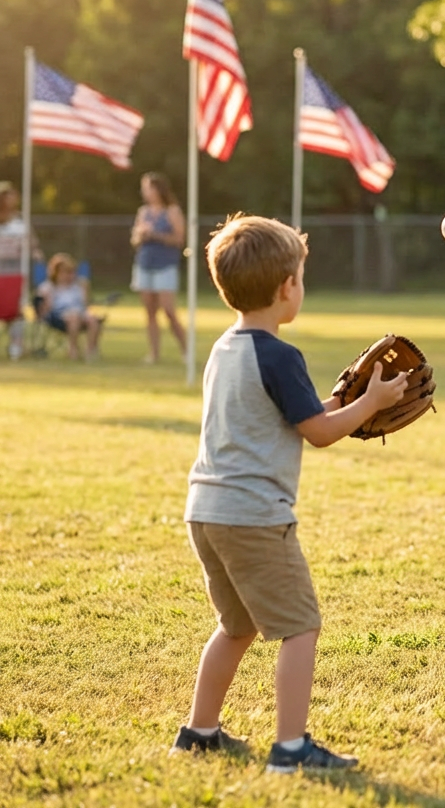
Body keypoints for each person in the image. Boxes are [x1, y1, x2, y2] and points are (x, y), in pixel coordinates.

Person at [172, 214, 408, 772]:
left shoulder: (225, 348)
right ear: (287, 288)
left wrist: (342, 400)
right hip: (254, 517)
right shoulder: (280, 355)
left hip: (207, 511)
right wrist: (370, 403)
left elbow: (294, 415)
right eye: (301, 277)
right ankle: (291, 748)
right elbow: (319, 433)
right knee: (301, 626)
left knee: (236, 626)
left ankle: (199, 733)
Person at [131, 172, 187, 364]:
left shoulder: (172, 211)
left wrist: (155, 235)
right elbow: (135, 240)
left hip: (165, 266)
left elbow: (179, 239)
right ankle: (154, 354)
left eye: (148, 188)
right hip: (145, 264)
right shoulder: (143, 212)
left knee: (168, 310)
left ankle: (185, 350)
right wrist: (140, 235)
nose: (145, 192)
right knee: (150, 312)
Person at [0, 181, 42, 360]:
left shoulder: (20, 220)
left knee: (16, 309)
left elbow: (32, 242)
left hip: (16, 272)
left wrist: (35, 252)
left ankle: (16, 346)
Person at [36, 253, 103, 360]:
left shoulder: (79, 286)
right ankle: (73, 349)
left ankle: (91, 351)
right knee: (74, 317)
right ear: (57, 273)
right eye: (67, 273)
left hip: (80, 312)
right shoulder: (48, 287)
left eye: (72, 272)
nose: (70, 276)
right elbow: (45, 308)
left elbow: (86, 305)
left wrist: (85, 289)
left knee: (93, 320)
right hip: (58, 315)